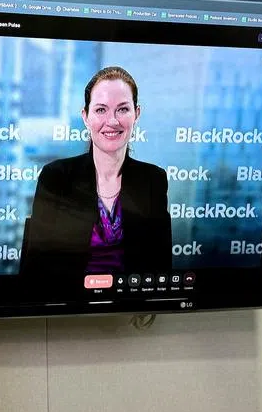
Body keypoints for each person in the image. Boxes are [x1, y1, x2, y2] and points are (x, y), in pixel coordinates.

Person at [20, 66, 172, 286]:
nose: (112, 121)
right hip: (67, 308)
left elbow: (159, 268)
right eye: (101, 110)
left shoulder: (153, 180)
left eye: (123, 109)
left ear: (136, 114)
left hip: (129, 309)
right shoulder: (56, 178)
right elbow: (37, 269)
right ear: (86, 116)